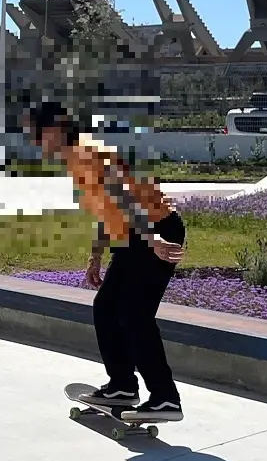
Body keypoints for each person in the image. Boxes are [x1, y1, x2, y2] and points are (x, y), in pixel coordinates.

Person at [29, 100, 187, 423]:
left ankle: (165, 397)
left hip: (154, 229)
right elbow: (106, 210)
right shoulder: (75, 159)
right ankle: (123, 386)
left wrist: (154, 239)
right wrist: (96, 255)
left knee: (133, 315)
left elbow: (124, 197)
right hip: (136, 237)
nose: (33, 141)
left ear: (57, 129)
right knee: (106, 308)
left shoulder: (86, 152)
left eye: (36, 133)